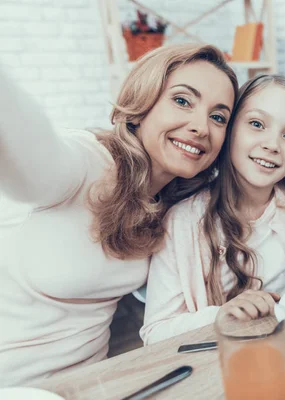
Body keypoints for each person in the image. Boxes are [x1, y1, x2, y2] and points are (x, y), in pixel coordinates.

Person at [0, 43, 238, 386]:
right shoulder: (84, 165)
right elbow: (27, 146)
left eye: (218, 117)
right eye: (183, 101)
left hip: (92, 383)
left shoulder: (174, 202)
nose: (201, 127)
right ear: (143, 103)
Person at [140, 75, 285, 344]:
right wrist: (224, 315)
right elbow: (154, 333)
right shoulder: (182, 222)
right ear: (230, 130)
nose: (272, 145)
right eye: (256, 124)